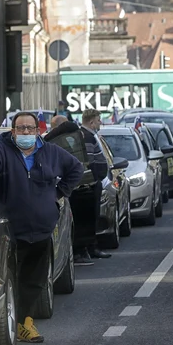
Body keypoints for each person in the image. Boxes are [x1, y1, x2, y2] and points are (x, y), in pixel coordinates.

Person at [0, 112, 83, 343]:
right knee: (8, 279)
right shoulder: (1, 150)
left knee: (34, 281)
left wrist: (58, 193)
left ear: (38, 131)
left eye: (30, 128)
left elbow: (75, 168)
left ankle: (24, 322)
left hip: (41, 230)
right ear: (13, 131)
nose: (25, 132)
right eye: (20, 128)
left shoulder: (51, 152)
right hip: (9, 232)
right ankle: (4, 325)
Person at [70, 109, 111, 264]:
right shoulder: (84, 137)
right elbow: (88, 162)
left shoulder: (89, 136)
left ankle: (91, 247)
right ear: (92, 122)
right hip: (89, 184)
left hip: (94, 183)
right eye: (99, 120)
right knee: (88, 217)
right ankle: (86, 249)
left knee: (92, 216)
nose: (100, 122)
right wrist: (94, 177)